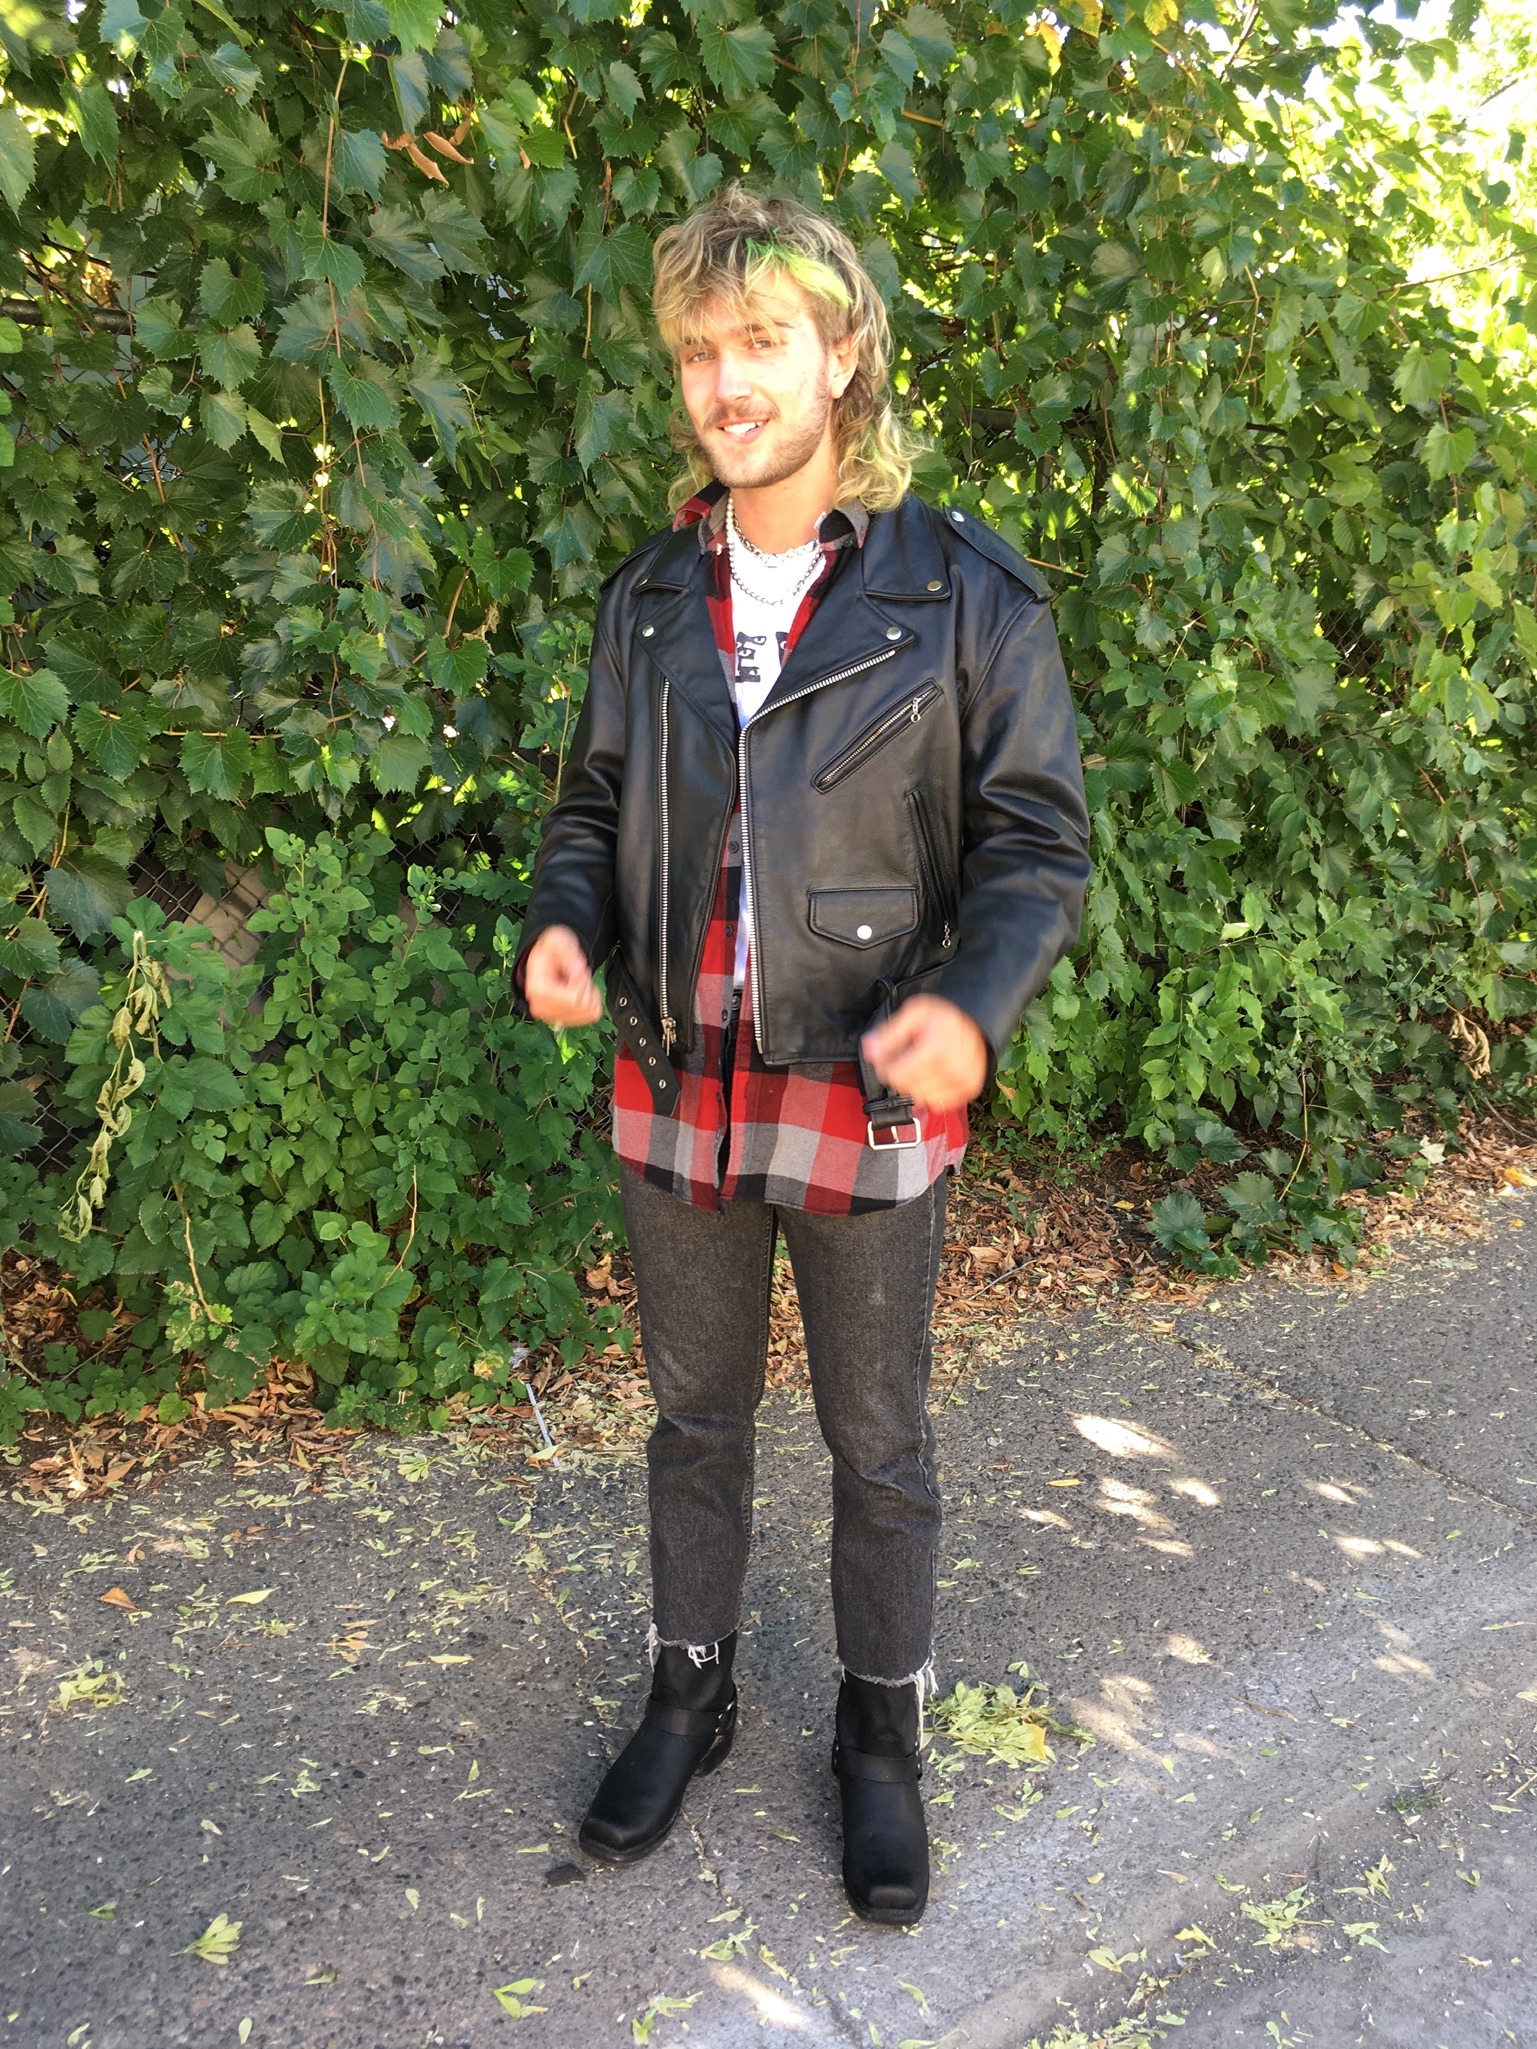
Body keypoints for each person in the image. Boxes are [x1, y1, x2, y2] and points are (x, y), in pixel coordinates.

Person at [514, 184, 1089, 1925]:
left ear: (842, 352)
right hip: (681, 1068)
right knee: (693, 1416)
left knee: (877, 1433)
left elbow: (1034, 845)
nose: (723, 379)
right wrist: (564, 926)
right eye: (697, 350)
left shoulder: (963, 593)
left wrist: (968, 1003)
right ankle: (691, 1689)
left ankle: (880, 1732)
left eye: (758, 339)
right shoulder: (645, 600)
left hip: (861, 1076)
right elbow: (592, 806)